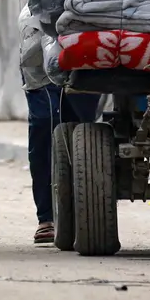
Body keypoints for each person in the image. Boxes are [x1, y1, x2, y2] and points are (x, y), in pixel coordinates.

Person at [24, 83, 102, 244]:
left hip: (83, 64)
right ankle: (47, 217)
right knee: (45, 124)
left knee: (83, 126)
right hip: (40, 66)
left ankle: (81, 213)